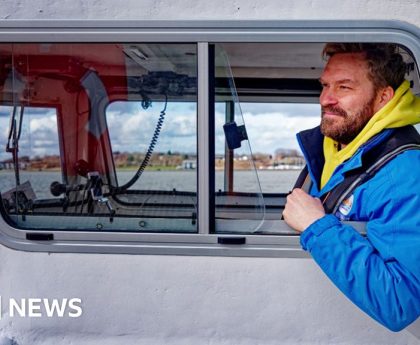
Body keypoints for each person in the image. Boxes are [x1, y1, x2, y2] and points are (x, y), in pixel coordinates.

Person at [283, 43, 420, 332]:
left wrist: (316, 225)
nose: (325, 99)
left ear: (384, 97)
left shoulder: (406, 173)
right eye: (324, 85)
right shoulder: (342, 146)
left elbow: (400, 300)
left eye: (343, 87)